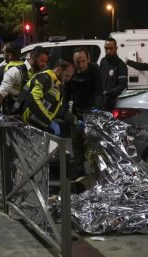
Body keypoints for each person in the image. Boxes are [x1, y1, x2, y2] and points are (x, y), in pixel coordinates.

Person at [64, 47, 104, 179]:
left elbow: (99, 92)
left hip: (92, 113)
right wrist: (66, 114)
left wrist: (96, 110)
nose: (80, 65)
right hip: (77, 113)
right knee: (76, 144)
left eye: (83, 61)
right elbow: (66, 94)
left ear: (88, 59)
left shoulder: (95, 70)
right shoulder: (71, 71)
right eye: (77, 62)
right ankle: (79, 172)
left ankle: (96, 174)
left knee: (93, 147)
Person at [21, 59, 82, 137]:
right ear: (59, 70)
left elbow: (57, 109)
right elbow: (32, 99)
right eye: (67, 75)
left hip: (37, 126)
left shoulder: (56, 83)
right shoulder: (46, 78)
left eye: (70, 77)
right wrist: (49, 122)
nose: (68, 79)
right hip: (28, 125)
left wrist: (74, 120)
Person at [0, 46, 49, 114]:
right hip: (11, 117)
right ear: (33, 57)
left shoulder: (39, 76)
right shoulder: (16, 71)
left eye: (45, 62)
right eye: (42, 61)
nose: (44, 64)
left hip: (28, 117)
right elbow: (0, 94)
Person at [100, 38, 128, 111]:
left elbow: (122, 85)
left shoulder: (121, 65)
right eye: (106, 48)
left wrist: (108, 92)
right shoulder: (103, 62)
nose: (108, 51)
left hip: (114, 103)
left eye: (111, 48)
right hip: (102, 103)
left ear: (116, 48)